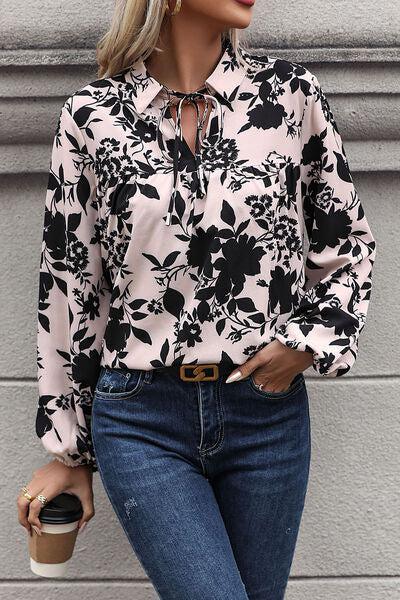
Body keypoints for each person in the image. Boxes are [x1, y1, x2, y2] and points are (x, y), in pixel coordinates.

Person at [17, 0, 377, 597]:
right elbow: (67, 286)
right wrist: (69, 451)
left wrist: (307, 344)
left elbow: (349, 244)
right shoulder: (91, 116)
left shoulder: (291, 97)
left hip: (266, 412)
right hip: (140, 419)